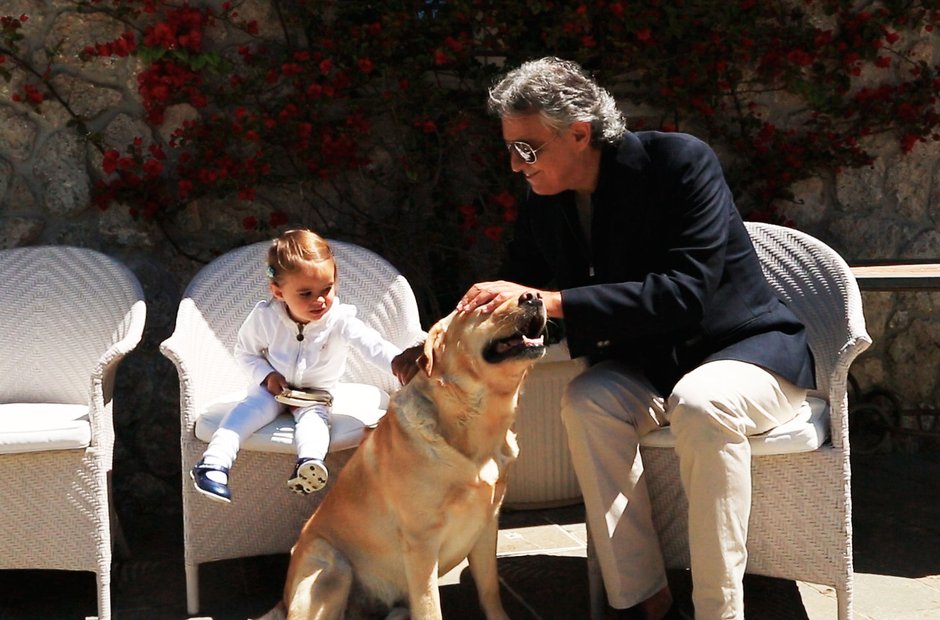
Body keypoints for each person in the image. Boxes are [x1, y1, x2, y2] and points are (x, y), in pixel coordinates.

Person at [409, 57, 816, 619]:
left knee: (701, 402)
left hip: (746, 354)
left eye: (525, 149)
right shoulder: (544, 201)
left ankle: (719, 612)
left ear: (578, 132)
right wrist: (448, 343)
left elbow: (684, 293)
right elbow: (521, 294)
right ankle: (643, 601)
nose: (512, 164)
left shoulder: (678, 162)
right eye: (508, 148)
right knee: (587, 400)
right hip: (651, 367)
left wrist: (545, 301)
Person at [191, 229, 403, 504]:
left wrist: (400, 362)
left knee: (315, 424)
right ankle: (213, 464)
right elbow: (245, 353)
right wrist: (267, 376)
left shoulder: (339, 319)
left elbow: (372, 344)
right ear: (278, 291)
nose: (320, 300)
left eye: (327, 289)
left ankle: (309, 465)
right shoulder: (265, 318)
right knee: (245, 414)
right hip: (272, 389)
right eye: (306, 293)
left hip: (315, 395)